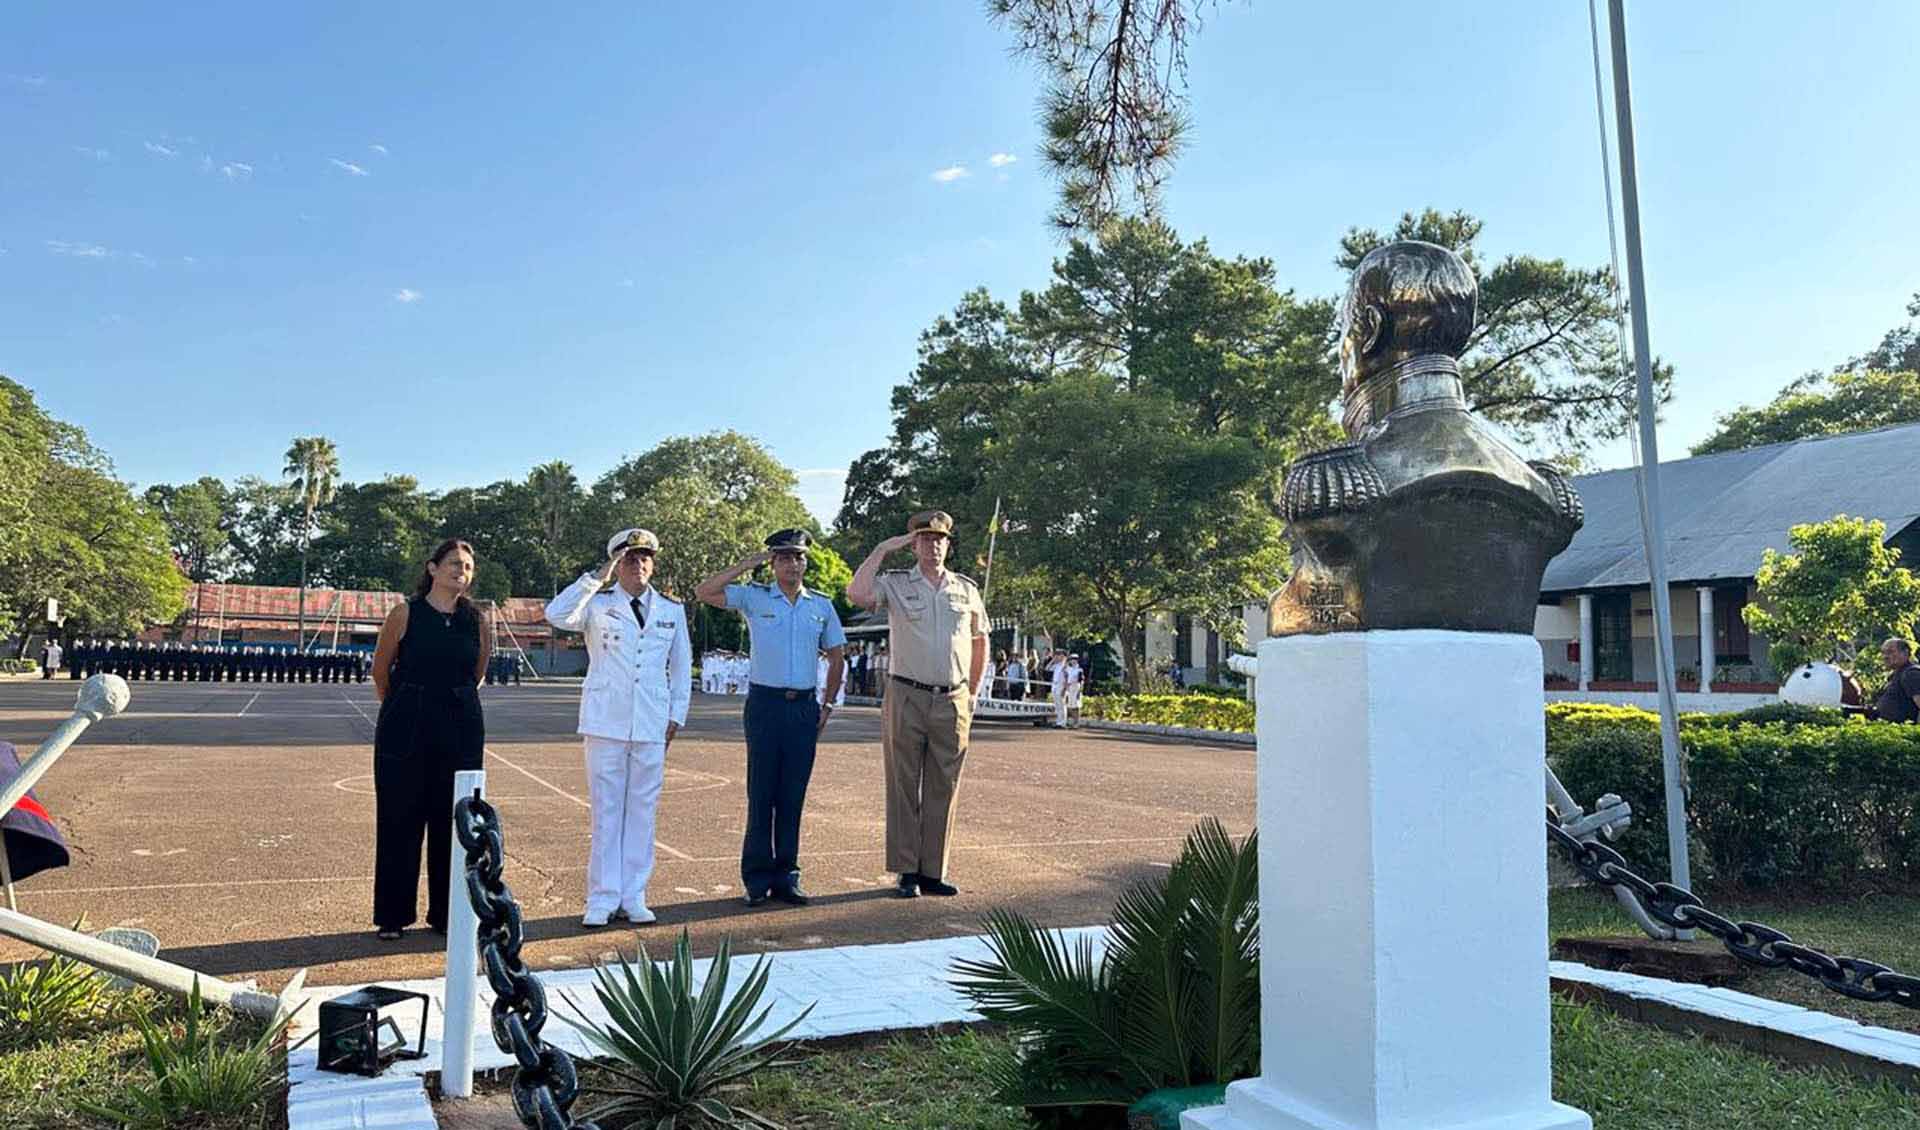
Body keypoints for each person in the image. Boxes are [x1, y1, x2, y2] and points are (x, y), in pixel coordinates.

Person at [545, 527, 691, 928]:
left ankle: (634, 894)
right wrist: (598, 577)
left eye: (644, 557)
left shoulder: (671, 610)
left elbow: (680, 667)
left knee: (643, 811)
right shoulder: (597, 603)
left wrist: (677, 715)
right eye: (629, 557)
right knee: (606, 812)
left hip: (651, 722)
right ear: (616, 563)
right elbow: (556, 615)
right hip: (606, 720)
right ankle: (603, 896)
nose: (638, 564)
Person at [696, 529, 846, 907]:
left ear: (805, 562)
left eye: (798, 557)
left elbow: (837, 655)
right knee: (761, 792)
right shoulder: (755, 596)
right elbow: (705, 592)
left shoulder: (821, 606)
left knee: (793, 795)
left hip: (803, 707)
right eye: (784, 557)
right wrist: (746, 565)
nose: (792, 563)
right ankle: (757, 878)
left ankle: (787, 876)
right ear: (773, 562)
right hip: (765, 704)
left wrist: (827, 705)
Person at [848, 510, 988, 899]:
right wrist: (879, 550)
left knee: (945, 785)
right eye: (925, 539)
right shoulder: (894, 584)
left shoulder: (966, 588)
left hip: (953, 697)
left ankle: (933, 870)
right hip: (906, 692)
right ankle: (906, 869)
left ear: (949, 544)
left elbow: (980, 640)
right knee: (903, 783)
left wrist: (973, 691)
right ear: (914, 545)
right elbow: (857, 594)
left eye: (940, 539)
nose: (934, 546)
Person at [369, 538, 492, 941]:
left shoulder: (477, 620)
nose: (462, 570)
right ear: (433, 568)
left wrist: (448, 703)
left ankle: (446, 913)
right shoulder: (405, 613)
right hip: (407, 722)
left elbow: (477, 672)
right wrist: (409, 704)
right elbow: (381, 670)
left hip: (460, 723)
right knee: (399, 818)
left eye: (468, 566)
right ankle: (393, 916)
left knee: (454, 822)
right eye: (454, 563)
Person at [1867, 638, 1920, 722]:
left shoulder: (1911, 674)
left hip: (1904, 732)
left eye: (1890, 652)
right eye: (1883, 653)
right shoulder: (1895, 675)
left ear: (1905, 653)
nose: (1885, 657)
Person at [1049, 649, 1071, 728]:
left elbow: (1067, 678)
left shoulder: (1066, 667)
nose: (1059, 657)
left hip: (1061, 686)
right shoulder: (1057, 665)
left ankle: (1063, 723)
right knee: (1057, 705)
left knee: (1062, 705)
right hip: (1055, 686)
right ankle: (1058, 721)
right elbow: (1047, 668)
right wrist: (1053, 660)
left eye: (1061, 656)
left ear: (1065, 657)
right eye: (1058, 655)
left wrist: (1064, 689)